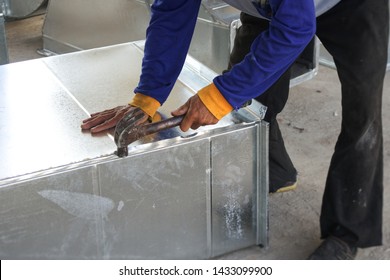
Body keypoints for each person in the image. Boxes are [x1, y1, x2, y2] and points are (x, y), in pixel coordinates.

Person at [81, 0, 389, 260]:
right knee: (251, 105)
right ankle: (275, 172)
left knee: (362, 117)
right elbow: (172, 14)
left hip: (351, 7)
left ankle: (346, 232)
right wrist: (147, 97)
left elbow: (296, 27)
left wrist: (220, 96)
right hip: (270, 7)